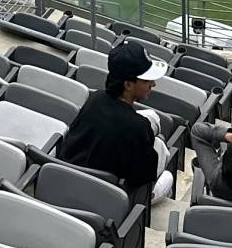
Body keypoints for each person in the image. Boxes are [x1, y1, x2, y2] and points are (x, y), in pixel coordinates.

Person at [58, 39, 169, 206]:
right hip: (105, 196)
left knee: (151, 123)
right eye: (147, 81)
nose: (153, 84)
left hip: (67, 178)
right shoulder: (138, 126)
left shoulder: (95, 98)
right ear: (128, 85)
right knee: (167, 174)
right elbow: (143, 178)